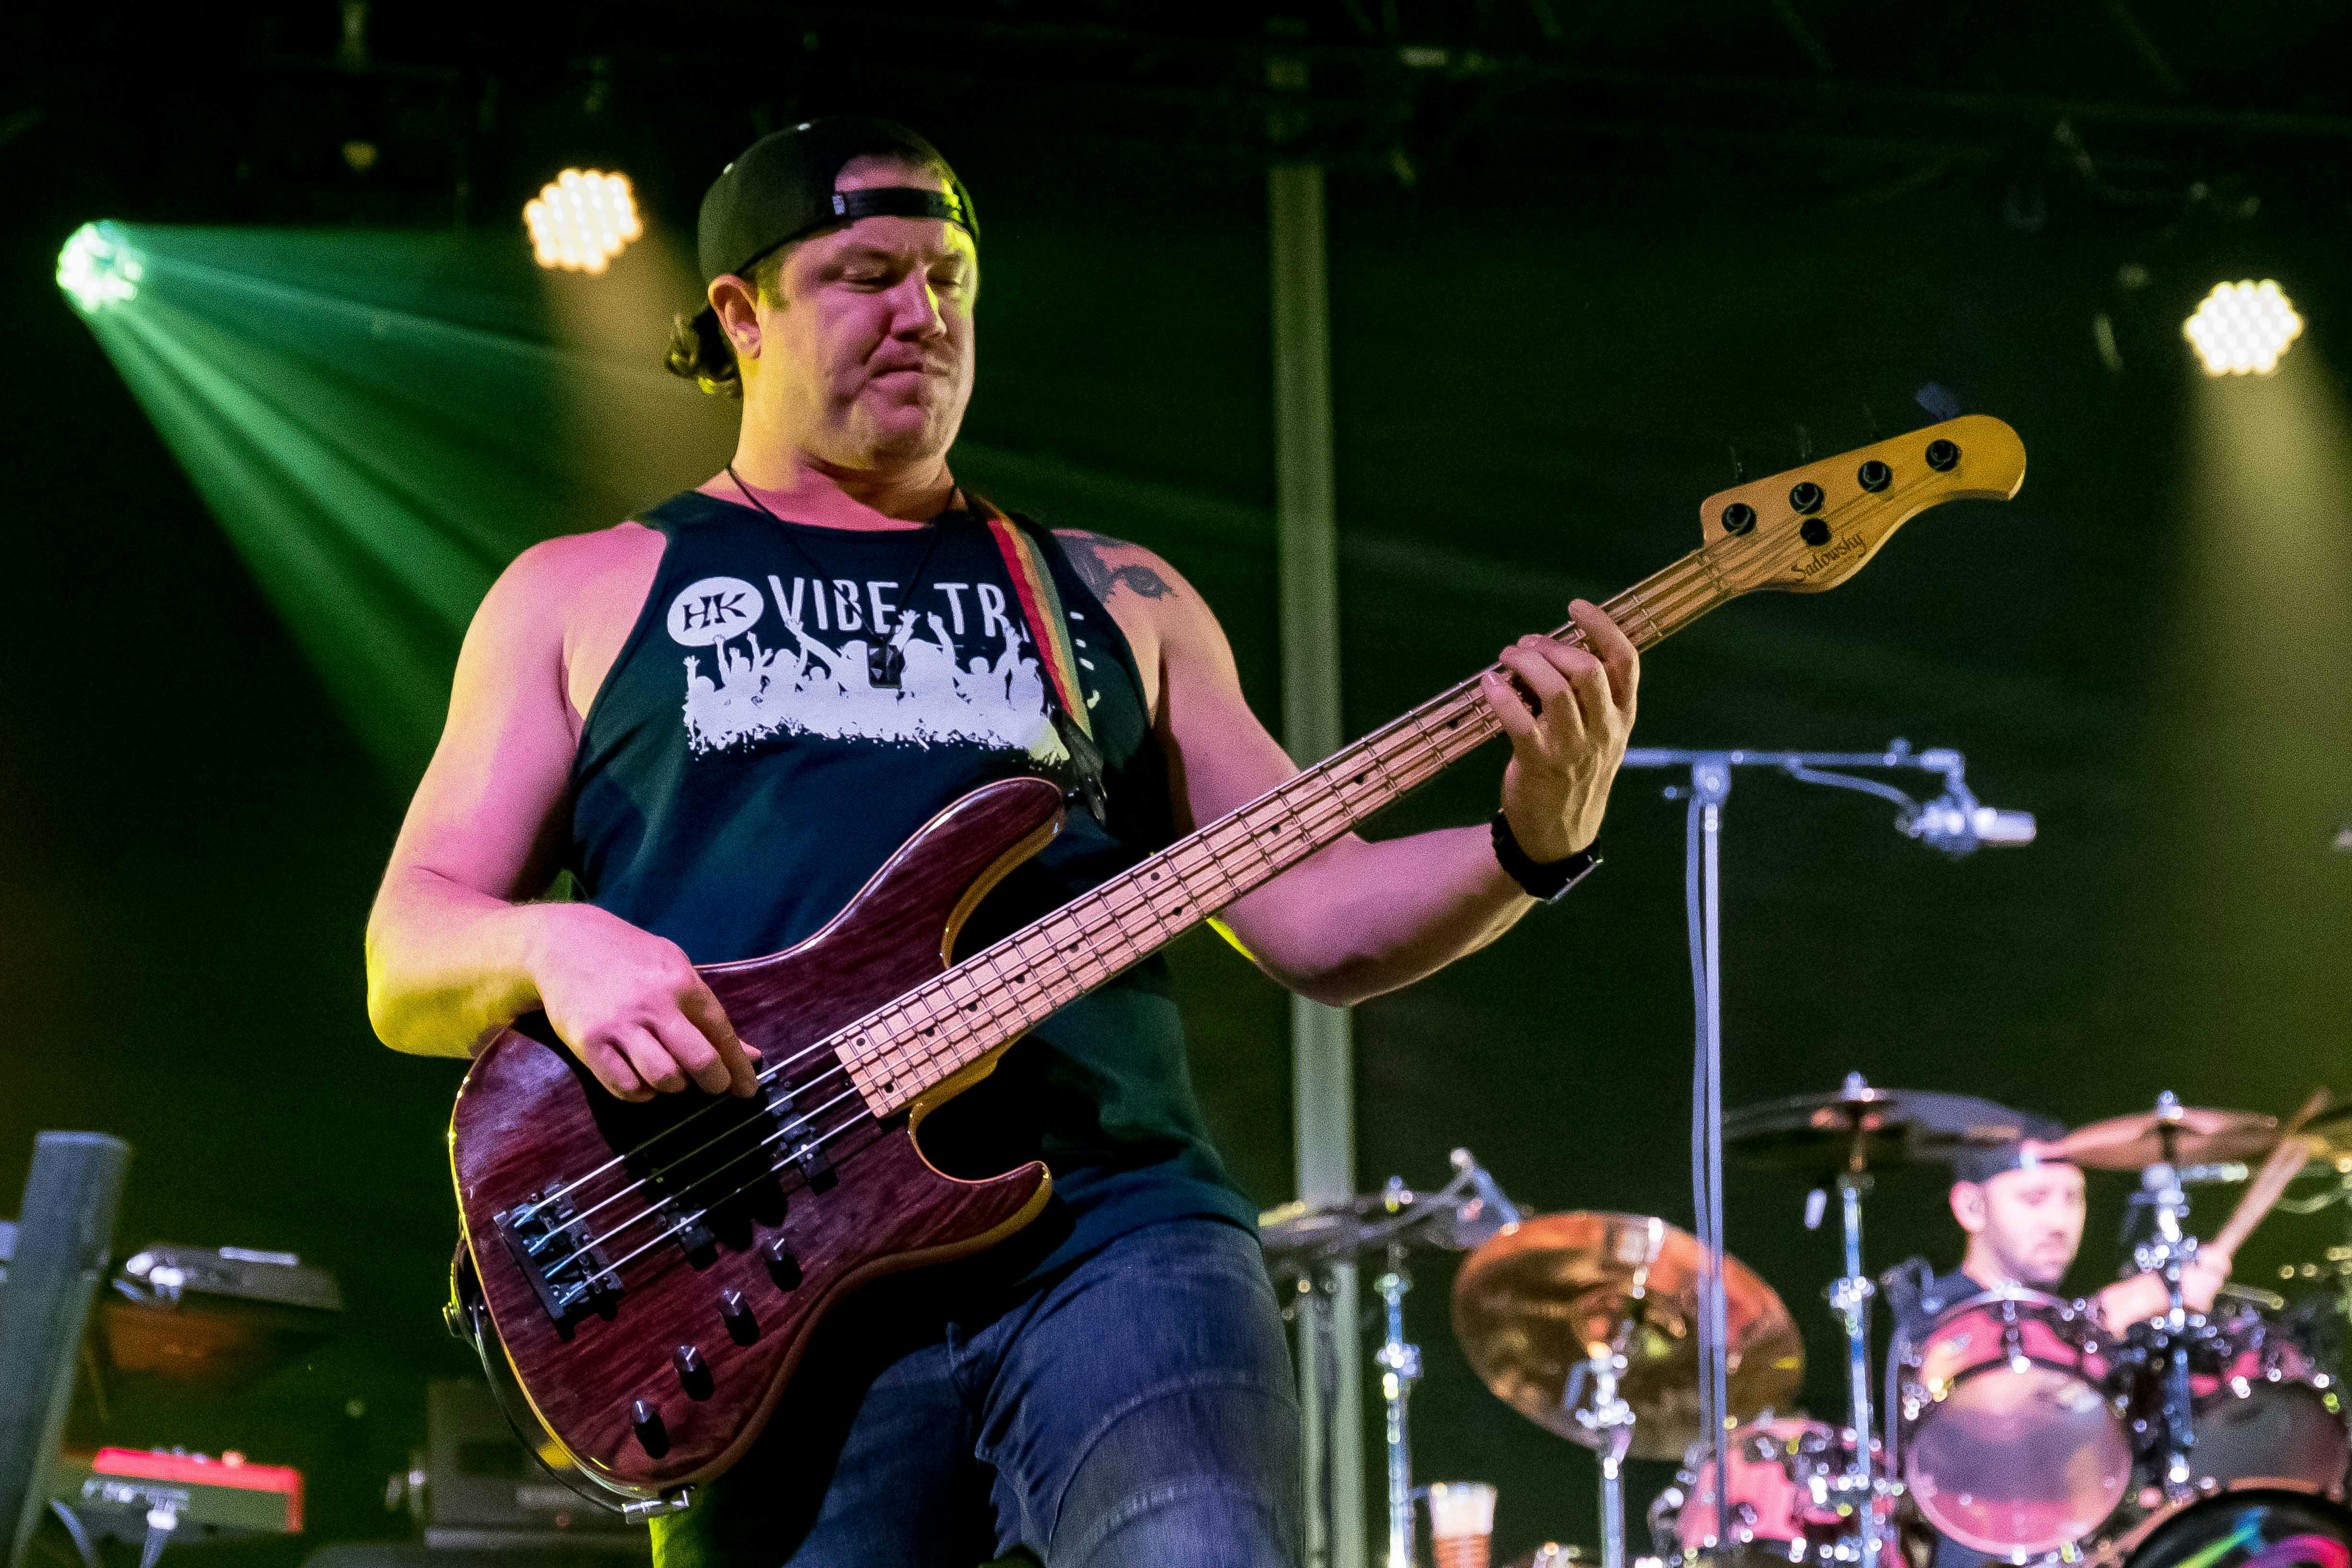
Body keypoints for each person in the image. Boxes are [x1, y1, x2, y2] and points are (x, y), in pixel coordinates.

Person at [362, 116, 1639, 1568]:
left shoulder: (1116, 595)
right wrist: (554, 943)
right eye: (866, 275)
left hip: (1109, 1227)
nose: (921, 313)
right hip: (756, 1262)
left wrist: (1532, 842)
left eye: (949, 277)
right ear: (740, 312)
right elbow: (408, 951)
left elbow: (1320, 918)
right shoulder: (584, 593)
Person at [1883, 1130, 2235, 1568]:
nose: (2059, 1222)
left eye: (2073, 1199)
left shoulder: (2067, 1320)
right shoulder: (1942, 1315)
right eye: (2034, 1200)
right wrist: (2109, 1313)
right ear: (1972, 1208)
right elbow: (1996, 1412)